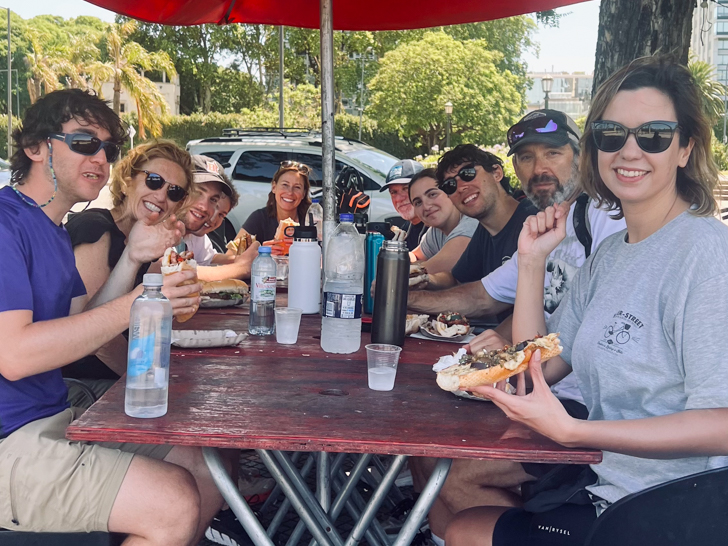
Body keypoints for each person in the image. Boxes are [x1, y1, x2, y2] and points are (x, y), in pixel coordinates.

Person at [447, 57, 728, 546]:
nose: (630, 150)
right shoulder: (613, 255)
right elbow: (536, 366)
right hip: (603, 485)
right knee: (460, 514)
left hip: (671, 510)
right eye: (612, 133)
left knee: (465, 530)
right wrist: (531, 261)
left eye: (655, 135)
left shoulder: (704, 253)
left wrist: (576, 434)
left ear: (685, 148)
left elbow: (722, 425)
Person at [0, 89, 226, 545]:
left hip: (54, 411)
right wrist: (146, 297)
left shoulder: (54, 231)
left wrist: (133, 260)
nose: (100, 157)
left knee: (201, 464)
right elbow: (15, 355)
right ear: (36, 147)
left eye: (108, 148)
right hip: (11, 436)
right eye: (83, 142)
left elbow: (79, 325)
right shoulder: (7, 224)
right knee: (173, 500)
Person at [409, 114, 626, 545]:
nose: (538, 167)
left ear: (583, 157)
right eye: (526, 157)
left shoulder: (606, 220)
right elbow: (493, 303)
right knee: (424, 449)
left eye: (553, 153)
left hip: (588, 415)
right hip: (546, 391)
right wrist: (398, 299)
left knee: (450, 471)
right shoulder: (549, 223)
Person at [64, 140, 195, 384]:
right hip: (83, 383)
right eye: (154, 180)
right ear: (127, 181)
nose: (161, 195)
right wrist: (151, 380)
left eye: (174, 192)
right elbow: (96, 340)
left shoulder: (148, 240)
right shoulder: (94, 227)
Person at [407, 145, 537, 320]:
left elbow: (481, 299)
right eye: (450, 185)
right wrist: (426, 280)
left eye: (468, 174)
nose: (460, 187)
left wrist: (400, 295)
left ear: (497, 173)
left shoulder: (533, 222)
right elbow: (455, 279)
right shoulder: (484, 229)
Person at [180, 155, 260, 282]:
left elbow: (208, 258)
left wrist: (244, 259)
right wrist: (241, 267)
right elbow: (171, 273)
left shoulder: (193, 233)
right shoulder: (159, 225)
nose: (205, 208)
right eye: (198, 192)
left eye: (213, 199)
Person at [408, 168, 478, 274]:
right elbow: (414, 256)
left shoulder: (471, 222)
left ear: (450, 191)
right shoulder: (436, 231)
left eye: (432, 194)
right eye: (418, 202)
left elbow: (432, 269)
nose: (426, 206)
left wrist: (399, 266)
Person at [242, 160, 312, 243]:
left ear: (304, 194)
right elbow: (232, 253)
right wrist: (262, 251)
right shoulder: (259, 218)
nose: (290, 192)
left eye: (297, 187)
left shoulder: (312, 220)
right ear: (274, 187)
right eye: (285, 185)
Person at [381, 159, 428, 251]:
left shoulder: (438, 228)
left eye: (406, 188)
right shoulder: (406, 228)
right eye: (394, 192)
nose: (399, 199)